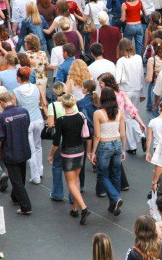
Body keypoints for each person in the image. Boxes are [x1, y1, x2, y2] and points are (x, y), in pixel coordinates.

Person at [50, 93, 91, 224]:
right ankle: (74, 208)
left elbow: (56, 142)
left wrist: (51, 155)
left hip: (67, 153)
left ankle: (84, 208)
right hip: (80, 151)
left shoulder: (61, 121)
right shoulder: (80, 117)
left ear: (62, 104)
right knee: (76, 180)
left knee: (71, 183)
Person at [0, 92, 32, 215]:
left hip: (10, 151)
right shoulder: (24, 111)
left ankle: (26, 206)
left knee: (16, 179)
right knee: (21, 175)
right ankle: (15, 197)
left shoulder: (1, 117)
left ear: (2, 102)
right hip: (24, 148)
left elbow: (0, 138)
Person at [90, 87, 126, 216]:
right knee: (116, 173)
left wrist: (93, 152)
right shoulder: (119, 112)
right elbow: (123, 133)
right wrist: (123, 149)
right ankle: (114, 204)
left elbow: (97, 135)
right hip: (117, 144)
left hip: (104, 145)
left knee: (102, 175)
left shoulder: (98, 113)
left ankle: (115, 198)